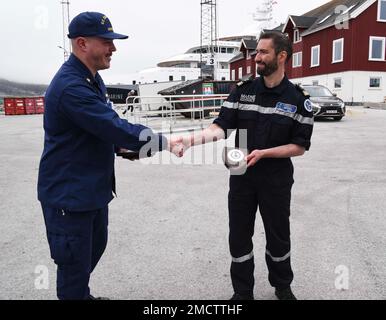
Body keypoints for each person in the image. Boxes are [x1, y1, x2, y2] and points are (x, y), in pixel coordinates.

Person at [37, 12, 183, 300]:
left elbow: (100, 129)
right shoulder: (71, 86)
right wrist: (164, 141)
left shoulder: (92, 79)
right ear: (81, 43)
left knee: (92, 251)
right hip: (70, 195)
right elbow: (113, 126)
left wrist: (123, 147)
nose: (113, 49)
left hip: (91, 191)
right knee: (73, 265)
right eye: (106, 42)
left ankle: (81, 295)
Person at [180, 31, 314, 300]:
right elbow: (220, 127)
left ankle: (282, 285)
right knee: (239, 235)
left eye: (263, 52)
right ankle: (242, 292)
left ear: (282, 56)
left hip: (276, 177)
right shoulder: (243, 91)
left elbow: (299, 146)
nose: (257, 58)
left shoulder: (298, 99)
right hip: (241, 173)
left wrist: (265, 153)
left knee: (278, 234)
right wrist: (190, 140)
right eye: (257, 52)